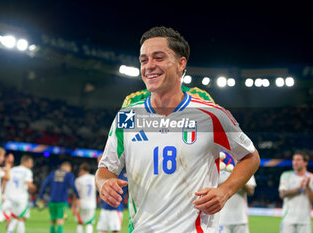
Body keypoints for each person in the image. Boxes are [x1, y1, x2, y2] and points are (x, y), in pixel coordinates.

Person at [96, 26, 260, 232]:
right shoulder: (127, 116)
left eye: (158, 58)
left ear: (181, 63)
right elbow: (106, 168)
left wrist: (225, 192)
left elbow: (250, 156)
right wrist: (104, 183)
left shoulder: (212, 115)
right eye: (144, 60)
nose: (149, 66)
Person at [279, 153, 313, 233]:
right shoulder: (286, 175)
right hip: (288, 219)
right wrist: (299, 188)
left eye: (298, 160)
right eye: (294, 160)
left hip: (305, 220)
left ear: (305, 163)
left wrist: (308, 187)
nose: (295, 162)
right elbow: (282, 194)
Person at [218, 151, 256, 233]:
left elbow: (251, 191)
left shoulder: (245, 169)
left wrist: (238, 177)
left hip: (240, 219)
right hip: (221, 219)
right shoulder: (219, 168)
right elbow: (214, 188)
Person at [38, 161, 80, 233]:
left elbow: (44, 185)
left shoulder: (52, 173)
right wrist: (78, 196)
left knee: (52, 222)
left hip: (52, 202)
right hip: (62, 202)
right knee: (60, 221)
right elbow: (73, 186)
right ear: (68, 168)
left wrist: (41, 196)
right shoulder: (69, 175)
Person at [4, 155, 36, 233]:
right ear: (25, 162)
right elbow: (29, 184)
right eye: (31, 162)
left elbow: (5, 180)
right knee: (21, 218)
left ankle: (10, 231)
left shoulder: (13, 169)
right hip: (21, 198)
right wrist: (34, 188)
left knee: (15, 217)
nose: (32, 165)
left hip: (10, 197)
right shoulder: (27, 171)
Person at [96, 156, 127, 233]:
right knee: (102, 230)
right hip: (105, 207)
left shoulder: (123, 175)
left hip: (116, 209)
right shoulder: (105, 174)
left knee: (115, 231)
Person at [72, 162, 96, 233]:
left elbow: (75, 194)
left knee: (80, 223)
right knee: (89, 223)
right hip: (91, 204)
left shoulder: (78, 180)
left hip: (81, 204)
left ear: (82, 170)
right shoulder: (94, 178)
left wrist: (74, 206)